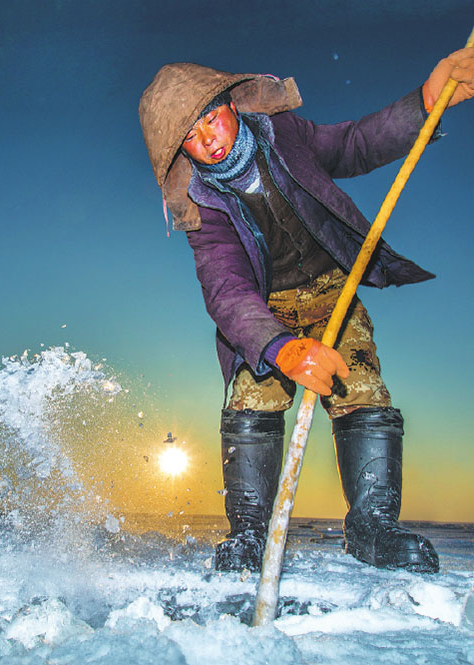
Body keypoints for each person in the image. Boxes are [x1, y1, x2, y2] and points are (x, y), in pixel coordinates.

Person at [139, 47, 474, 574]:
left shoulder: (285, 136)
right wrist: (279, 347)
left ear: (230, 103)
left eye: (210, 116)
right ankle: (248, 532)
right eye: (190, 135)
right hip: (267, 319)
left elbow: (355, 144)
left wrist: (426, 103)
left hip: (332, 295)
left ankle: (372, 525)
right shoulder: (202, 207)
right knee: (250, 404)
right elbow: (226, 289)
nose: (209, 137)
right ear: (179, 150)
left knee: (362, 392)